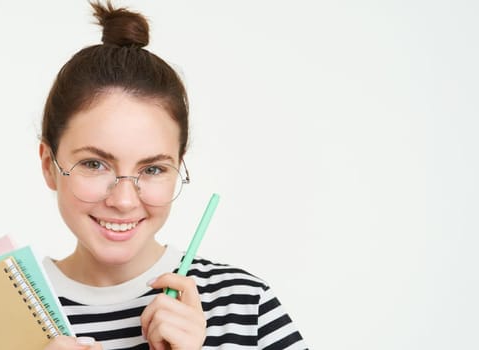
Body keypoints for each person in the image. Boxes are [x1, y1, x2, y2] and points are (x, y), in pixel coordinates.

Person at [38, 2, 307, 349]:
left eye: (152, 169)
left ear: (178, 168)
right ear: (49, 164)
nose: (122, 200)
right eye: (94, 164)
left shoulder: (244, 305)